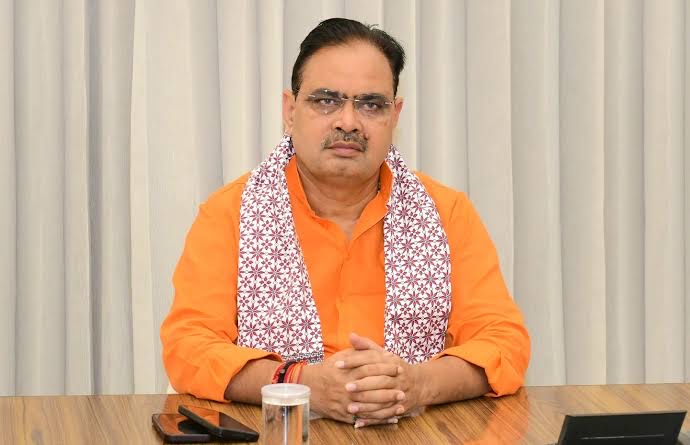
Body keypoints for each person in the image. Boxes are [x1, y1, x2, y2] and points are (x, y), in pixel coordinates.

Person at [161, 17, 530, 428]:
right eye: (326, 100)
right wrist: (300, 383)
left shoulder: (446, 213)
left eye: (371, 104)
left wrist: (418, 384)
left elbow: (503, 341)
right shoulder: (232, 212)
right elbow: (189, 347)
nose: (349, 122)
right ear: (290, 111)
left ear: (395, 116)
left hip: (418, 431)